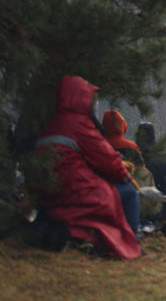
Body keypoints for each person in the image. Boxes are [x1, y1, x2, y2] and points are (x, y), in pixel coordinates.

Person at [31, 75, 141, 259]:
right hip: (78, 191)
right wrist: (126, 176)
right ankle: (131, 244)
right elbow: (107, 159)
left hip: (51, 194)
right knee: (129, 193)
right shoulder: (80, 125)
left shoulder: (52, 126)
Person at [135, 122, 166, 196]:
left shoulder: (133, 152)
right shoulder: (159, 155)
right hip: (154, 197)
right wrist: (160, 194)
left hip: (134, 196)